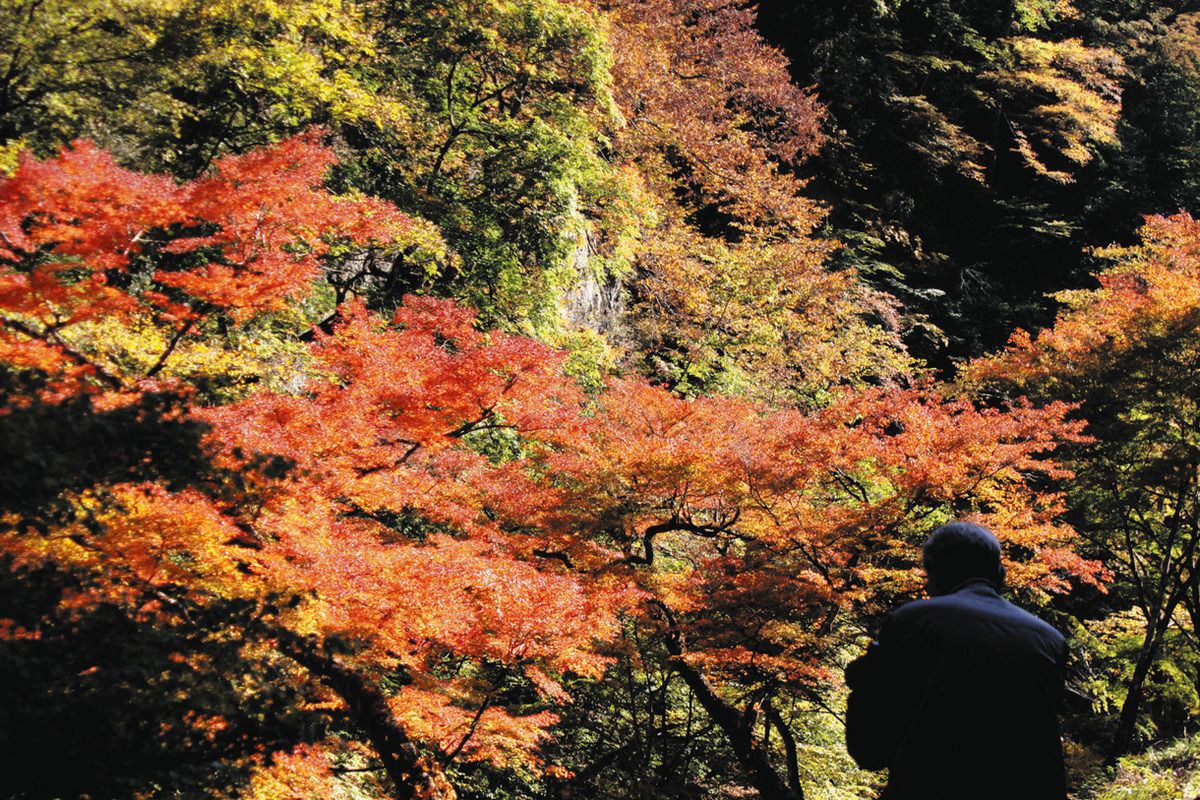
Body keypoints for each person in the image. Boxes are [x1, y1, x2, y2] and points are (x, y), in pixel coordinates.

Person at [844, 521, 1069, 800]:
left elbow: (869, 750)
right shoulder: (1050, 640)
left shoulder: (914, 621)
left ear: (935, 573)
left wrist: (863, 684)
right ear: (1000, 574)